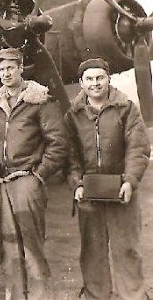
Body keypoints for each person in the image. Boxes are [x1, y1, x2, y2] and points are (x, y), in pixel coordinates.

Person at [0, 47, 68, 300]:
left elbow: (58, 143)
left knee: (32, 246)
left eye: (10, 68)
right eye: (1, 69)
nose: (5, 73)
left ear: (20, 68)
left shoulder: (40, 101)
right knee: (8, 247)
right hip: (0, 184)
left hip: (27, 182)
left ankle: (40, 297)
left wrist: (38, 175)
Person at [65, 57, 150, 300]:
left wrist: (130, 181)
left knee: (127, 248)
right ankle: (96, 294)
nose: (95, 83)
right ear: (81, 83)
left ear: (108, 79)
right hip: (89, 192)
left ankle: (132, 294)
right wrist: (77, 183)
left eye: (100, 77)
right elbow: (70, 155)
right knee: (92, 250)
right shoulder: (73, 115)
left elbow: (138, 148)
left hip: (121, 190)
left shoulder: (127, 108)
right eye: (89, 79)